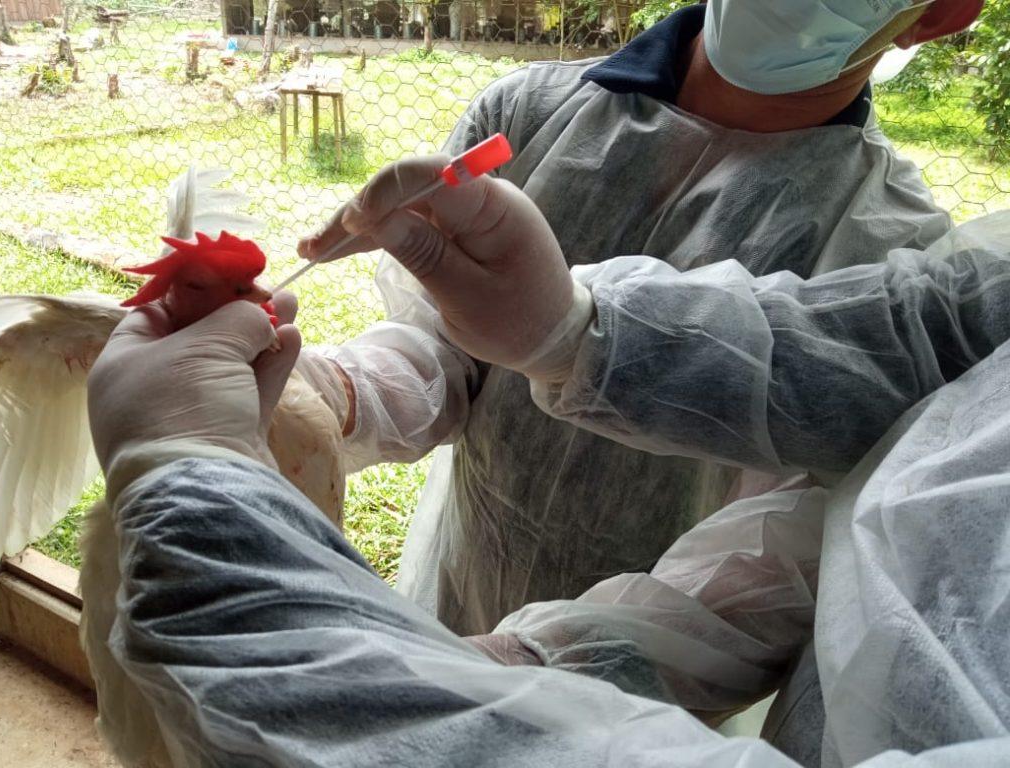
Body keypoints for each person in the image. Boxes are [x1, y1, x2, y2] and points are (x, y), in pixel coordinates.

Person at [86, 202, 1010, 765]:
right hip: (471, 587)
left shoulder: (884, 216)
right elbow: (815, 537)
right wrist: (561, 332)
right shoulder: (531, 109)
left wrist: (190, 483)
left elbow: (799, 542)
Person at [294, 0, 981, 637]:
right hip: (462, 576)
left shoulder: (889, 254)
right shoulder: (530, 112)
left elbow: (779, 551)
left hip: (635, 697)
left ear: (943, 14)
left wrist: (553, 661)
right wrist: (333, 393)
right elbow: (441, 347)